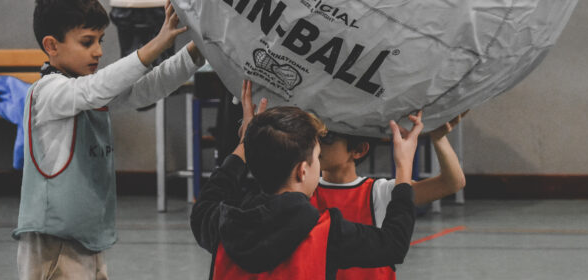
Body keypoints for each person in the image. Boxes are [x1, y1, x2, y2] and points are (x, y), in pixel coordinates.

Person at [13, 0, 204, 279]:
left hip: (86, 236)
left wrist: (198, 50)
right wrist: (157, 43)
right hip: (54, 242)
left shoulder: (87, 91)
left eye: (100, 40)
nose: (99, 51)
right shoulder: (48, 93)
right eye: (87, 42)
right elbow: (98, 88)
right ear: (51, 45)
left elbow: (147, 88)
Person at [191, 80, 420, 279]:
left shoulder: (221, 224)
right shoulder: (326, 232)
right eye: (317, 157)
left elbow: (207, 200)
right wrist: (404, 166)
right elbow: (393, 245)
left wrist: (244, 144)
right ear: (302, 171)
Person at [311, 115, 466, 280]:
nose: (317, 144)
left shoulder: (378, 191)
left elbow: (452, 183)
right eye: (314, 137)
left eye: (327, 138)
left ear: (359, 150)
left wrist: (439, 138)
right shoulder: (302, 191)